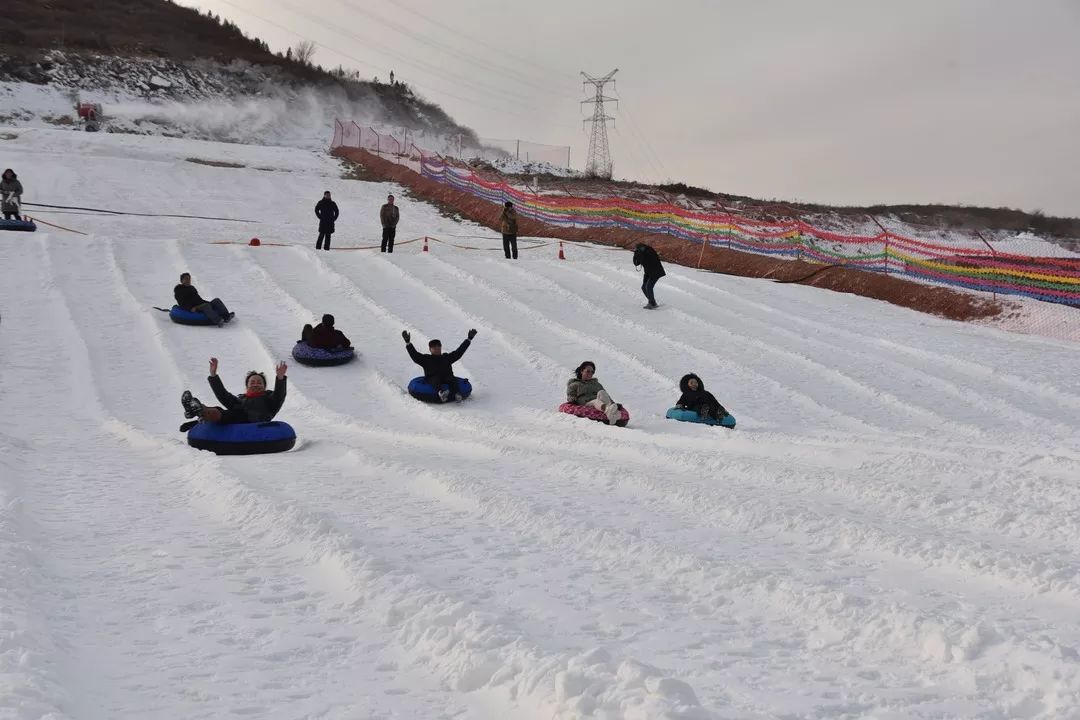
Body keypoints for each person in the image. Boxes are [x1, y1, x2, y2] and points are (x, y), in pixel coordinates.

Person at [179, 357, 288, 431]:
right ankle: (195, 410)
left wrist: (280, 378)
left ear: (264, 386)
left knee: (232, 413)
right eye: (252, 382)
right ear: (247, 386)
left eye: (259, 383)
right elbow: (223, 396)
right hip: (235, 420)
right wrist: (213, 375)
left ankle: (199, 411)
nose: (256, 384)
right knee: (220, 409)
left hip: (254, 424)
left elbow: (279, 395)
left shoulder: (269, 399)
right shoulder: (241, 400)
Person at [403, 328, 477, 402]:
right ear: (430, 349)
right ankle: (441, 393)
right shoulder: (426, 359)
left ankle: (457, 394)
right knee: (435, 379)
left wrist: (469, 339)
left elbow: (459, 352)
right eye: (434, 348)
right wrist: (408, 343)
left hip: (447, 378)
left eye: (438, 347)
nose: (437, 349)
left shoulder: (446, 357)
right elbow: (415, 355)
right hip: (433, 379)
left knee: (451, 379)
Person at [633, 243, 666, 309]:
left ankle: (652, 303)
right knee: (643, 287)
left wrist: (638, 254)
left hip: (656, 272)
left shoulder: (650, 251)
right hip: (648, 272)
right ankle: (652, 301)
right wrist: (635, 255)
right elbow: (636, 263)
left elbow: (645, 259)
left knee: (648, 286)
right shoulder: (641, 253)